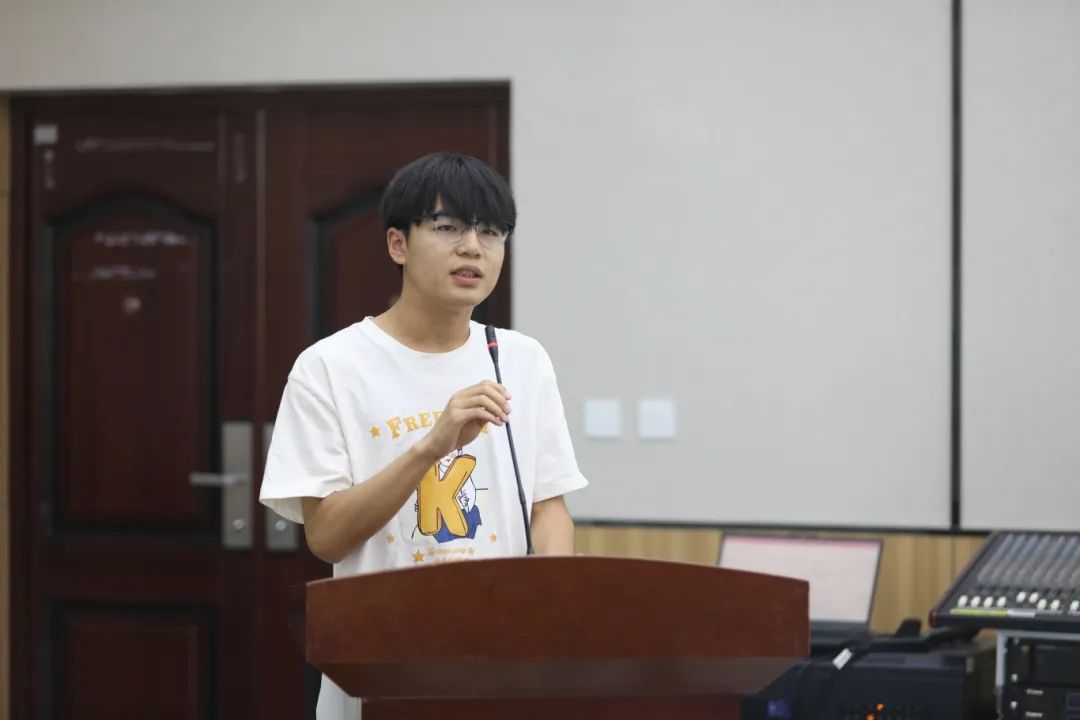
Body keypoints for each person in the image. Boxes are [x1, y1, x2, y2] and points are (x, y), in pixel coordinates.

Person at [259, 152, 589, 720]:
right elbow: (327, 538)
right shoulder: (331, 367)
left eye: (492, 232)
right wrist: (431, 447)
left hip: (499, 665)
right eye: (447, 227)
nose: (473, 248)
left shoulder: (523, 359)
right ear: (398, 244)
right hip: (379, 661)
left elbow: (548, 507)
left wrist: (547, 609)